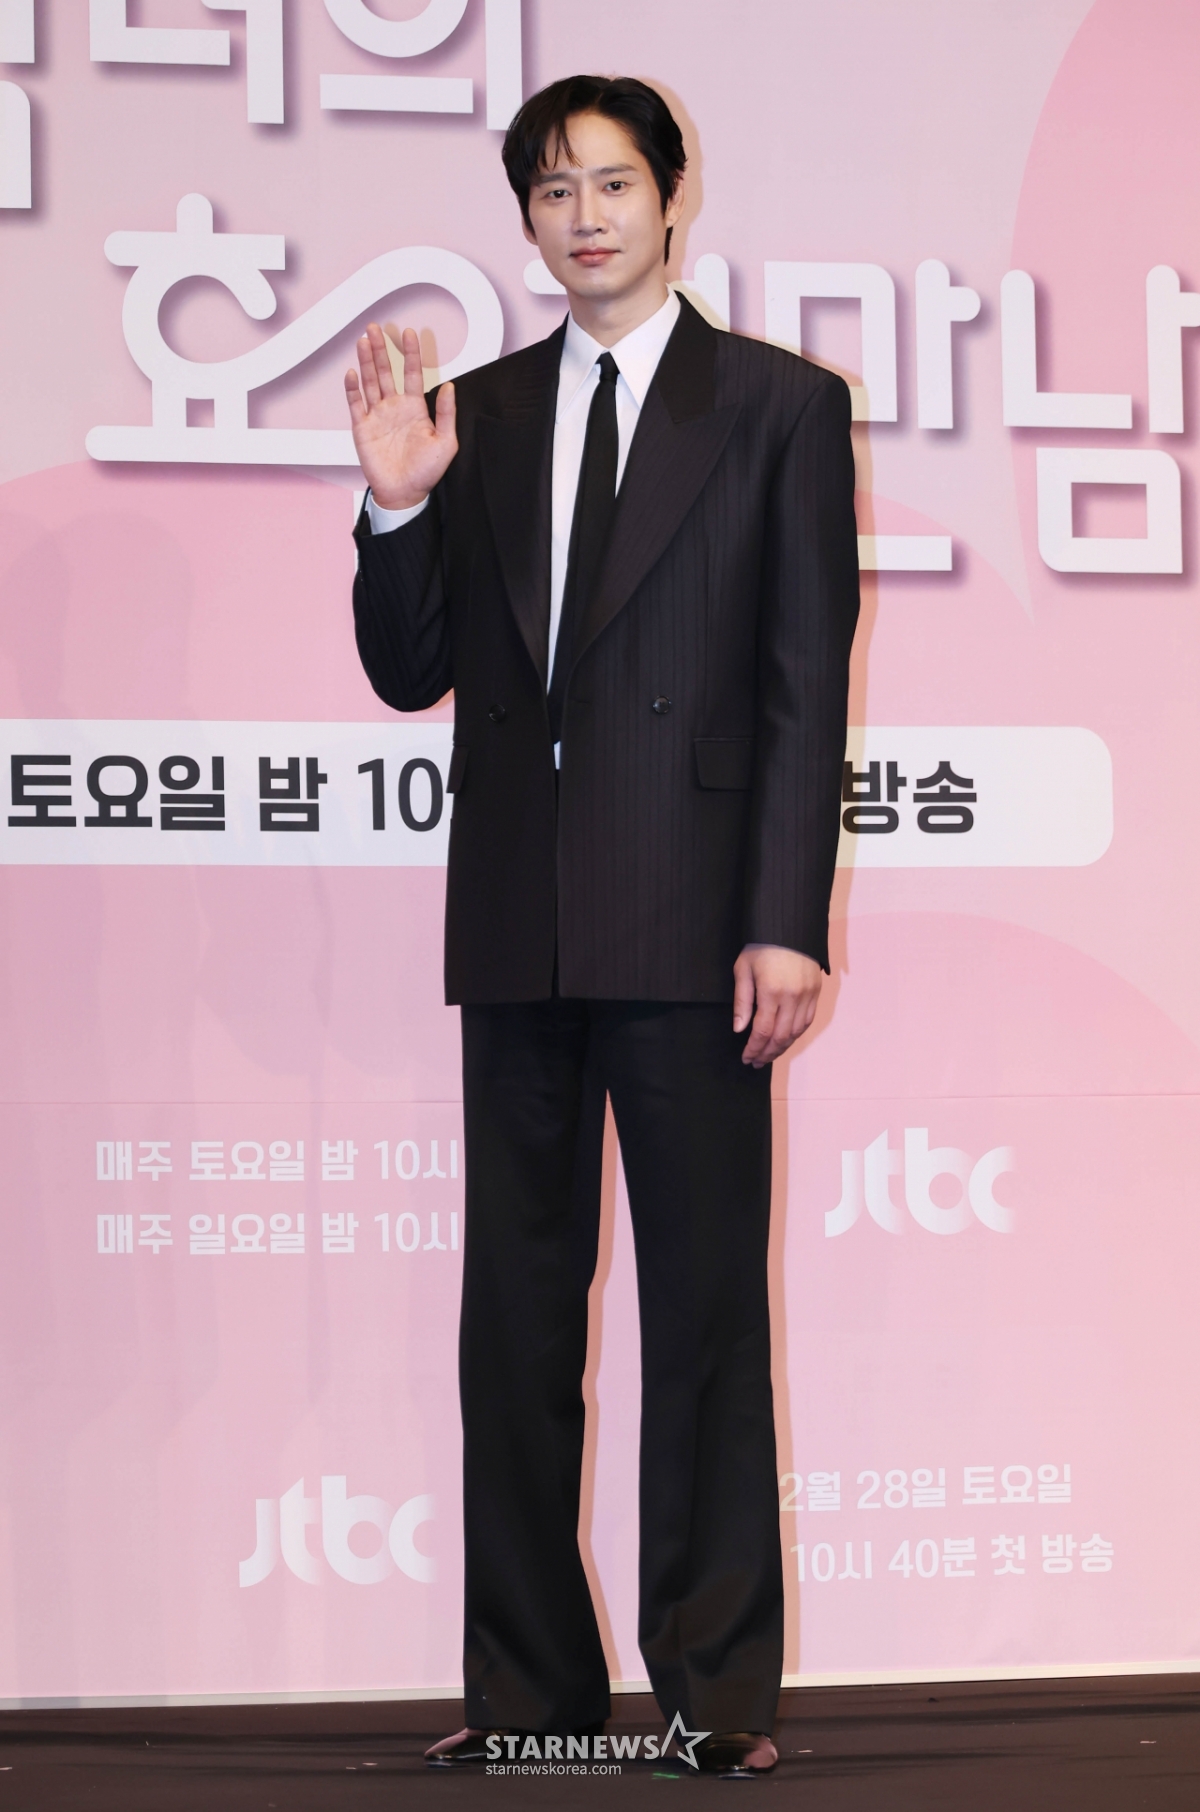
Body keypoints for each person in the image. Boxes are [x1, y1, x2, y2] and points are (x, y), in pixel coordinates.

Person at [345, 74, 859, 1780]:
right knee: (515, 1320)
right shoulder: (476, 414)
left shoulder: (778, 407)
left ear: (671, 198)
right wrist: (399, 506)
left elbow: (802, 687)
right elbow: (411, 668)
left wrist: (785, 920)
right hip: (520, 922)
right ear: (527, 218)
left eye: (614, 184)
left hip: (702, 926)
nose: (585, 215)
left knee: (704, 1314)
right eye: (554, 189)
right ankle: (531, 1694)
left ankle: (714, 1690)